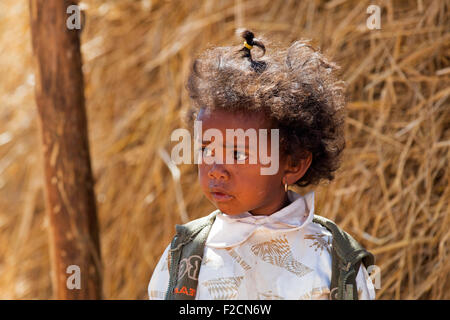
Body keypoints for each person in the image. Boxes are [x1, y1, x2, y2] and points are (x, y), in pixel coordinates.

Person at [148, 29, 375, 300]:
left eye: (238, 154)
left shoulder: (334, 260)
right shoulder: (187, 256)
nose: (215, 169)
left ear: (293, 164)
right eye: (206, 149)